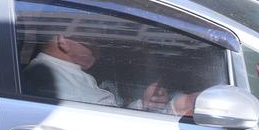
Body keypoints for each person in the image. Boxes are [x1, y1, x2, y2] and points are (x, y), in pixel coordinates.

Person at [22, 33, 170, 111]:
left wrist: (144, 104)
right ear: (63, 42)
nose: (97, 45)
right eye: (90, 39)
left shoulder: (61, 72)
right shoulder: (58, 84)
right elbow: (114, 127)